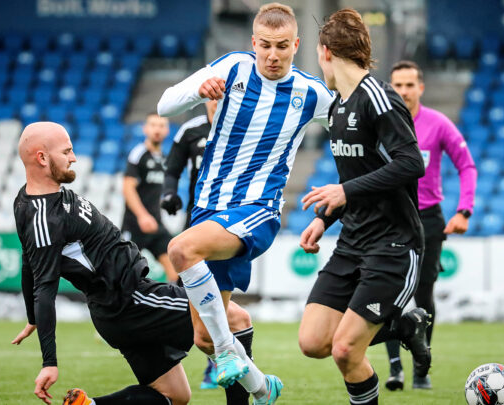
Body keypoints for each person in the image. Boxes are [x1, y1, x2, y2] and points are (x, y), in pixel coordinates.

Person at [157, 3, 335, 404]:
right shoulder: (234, 67)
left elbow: (355, 123)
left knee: (180, 248)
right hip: (209, 208)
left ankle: (226, 353)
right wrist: (197, 91)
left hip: (258, 210)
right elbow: (164, 104)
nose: (273, 56)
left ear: (296, 45)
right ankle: (261, 386)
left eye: (283, 47)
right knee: (205, 333)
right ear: (254, 42)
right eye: (266, 46)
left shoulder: (310, 93)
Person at [296, 9, 431, 405]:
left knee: (345, 351)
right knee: (313, 342)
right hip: (352, 243)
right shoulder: (338, 107)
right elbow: (356, 180)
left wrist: (343, 193)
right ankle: (403, 325)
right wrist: (324, 219)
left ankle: (399, 324)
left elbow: (411, 164)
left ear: (325, 52)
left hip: (393, 244)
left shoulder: (379, 97)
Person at [11, 122, 193, 405]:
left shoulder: (27, 200)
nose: (73, 157)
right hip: (131, 299)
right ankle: (257, 389)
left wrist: (32, 319)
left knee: (176, 395)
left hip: (118, 306)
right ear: (42, 158)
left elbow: (27, 263)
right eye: (67, 151)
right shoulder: (46, 218)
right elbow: (43, 288)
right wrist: (49, 361)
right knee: (229, 317)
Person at [383, 60, 478, 390]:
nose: (404, 91)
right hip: (390, 217)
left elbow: (467, 165)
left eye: (410, 85)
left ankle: (421, 367)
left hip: (427, 219)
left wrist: (464, 211)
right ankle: (395, 369)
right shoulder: (381, 124)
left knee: (423, 294)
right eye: (398, 85)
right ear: (390, 88)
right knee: (388, 292)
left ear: (420, 87)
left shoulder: (438, 124)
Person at [162, 100, 257, 403]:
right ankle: (257, 383)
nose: (219, 101)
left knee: (221, 317)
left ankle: (228, 371)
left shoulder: (248, 127)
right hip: (197, 228)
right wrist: (168, 193)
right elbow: (173, 167)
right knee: (207, 325)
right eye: (214, 95)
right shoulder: (190, 131)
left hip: (230, 228)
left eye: (225, 94)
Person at [122, 113, 178, 282]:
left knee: (176, 266)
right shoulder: (139, 154)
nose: (157, 130)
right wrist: (142, 216)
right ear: (145, 128)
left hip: (156, 224)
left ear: (167, 130)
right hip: (135, 225)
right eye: (153, 125)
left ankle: (176, 305)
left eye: (161, 126)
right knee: (126, 275)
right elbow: (127, 187)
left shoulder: (164, 159)